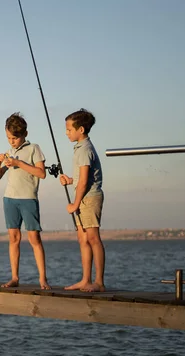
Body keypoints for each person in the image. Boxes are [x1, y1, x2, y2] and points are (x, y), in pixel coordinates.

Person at [0, 112, 50, 290]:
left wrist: (19, 164)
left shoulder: (34, 148)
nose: (12, 141)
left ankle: (42, 279)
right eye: (9, 138)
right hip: (10, 199)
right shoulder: (10, 152)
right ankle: (15, 277)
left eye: (15, 138)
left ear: (24, 134)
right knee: (13, 238)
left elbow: (42, 173)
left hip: (28, 199)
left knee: (34, 238)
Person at [59, 108, 106, 292]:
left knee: (93, 238)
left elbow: (85, 181)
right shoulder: (80, 149)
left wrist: (75, 204)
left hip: (90, 198)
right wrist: (70, 180)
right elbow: (81, 179)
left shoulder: (85, 149)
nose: (66, 132)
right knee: (82, 238)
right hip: (83, 196)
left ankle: (99, 282)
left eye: (69, 129)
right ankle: (86, 280)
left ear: (81, 130)